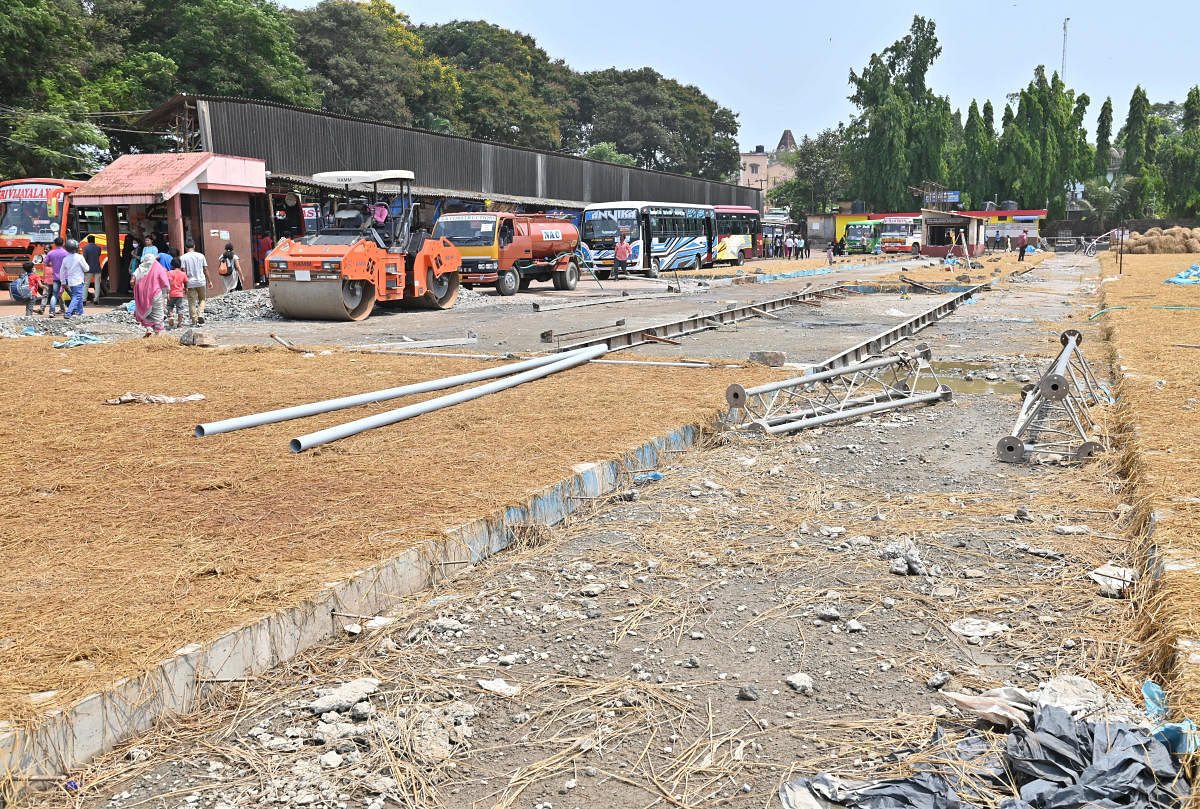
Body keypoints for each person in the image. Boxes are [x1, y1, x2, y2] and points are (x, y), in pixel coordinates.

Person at [132, 247, 169, 335]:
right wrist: (166, 292)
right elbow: (165, 282)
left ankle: (149, 328)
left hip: (143, 295)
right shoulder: (158, 268)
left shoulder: (140, 268)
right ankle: (158, 332)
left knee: (145, 310)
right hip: (155, 294)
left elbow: (132, 280)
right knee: (157, 312)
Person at [181, 239, 212, 325]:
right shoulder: (201, 256)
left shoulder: (183, 257)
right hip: (201, 281)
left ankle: (194, 320)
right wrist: (209, 281)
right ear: (194, 246)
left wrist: (185, 285)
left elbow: (184, 272)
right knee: (202, 299)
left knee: (191, 302)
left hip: (190, 283)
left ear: (185, 247)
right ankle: (200, 313)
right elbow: (205, 269)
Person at [61, 239, 88, 319]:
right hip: (78, 280)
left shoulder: (65, 259)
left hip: (70, 281)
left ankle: (81, 312)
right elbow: (86, 269)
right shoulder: (79, 257)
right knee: (76, 297)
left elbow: (61, 271)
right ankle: (68, 313)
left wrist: (63, 282)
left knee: (77, 296)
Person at [40, 237, 68, 316]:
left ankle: (52, 311)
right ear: (63, 243)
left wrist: (52, 265)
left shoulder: (51, 254)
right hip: (64, 277)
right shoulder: (66, 253)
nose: (45, 250)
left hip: (55, 277)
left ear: (55, 244)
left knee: (54, 295)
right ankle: (74, 310)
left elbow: (45, 263)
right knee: (71, 294)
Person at [165, 255, 187, 329]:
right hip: (179, 294)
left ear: (172, 265)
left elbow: (169, 282)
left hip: (171, 293)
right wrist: (186, 289)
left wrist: (168, 292)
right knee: (180, 308)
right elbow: (186, 282)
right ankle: (179, 324)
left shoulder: (169, 273)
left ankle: (171, 316)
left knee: (170, 306)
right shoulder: (183, 273)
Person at [81, 235, 104, 304]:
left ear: (88, 241)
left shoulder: (85, 248)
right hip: (97, 268)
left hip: (88, 269)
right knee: (97, 284)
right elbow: (98, 255)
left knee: (86, 284)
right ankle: (96, 300)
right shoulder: (98, 248)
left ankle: (84, 300)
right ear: (94, 240)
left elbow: (84, 259)